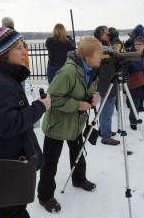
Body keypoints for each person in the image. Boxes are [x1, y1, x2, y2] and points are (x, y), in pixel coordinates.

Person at [0, 26, 51, 218]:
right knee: (13, 210)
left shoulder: (4, 77)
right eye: (19, 47)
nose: (25, 51)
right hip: (10, 162)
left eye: (24, 46)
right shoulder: (0, 83)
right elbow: (8, 126)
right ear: (3, 53)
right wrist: (40, 107)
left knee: (14, 209)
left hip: (12, 158)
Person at [37, 37, 102, 213]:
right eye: (99, 53)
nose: (102, 57)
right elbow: (52, 98)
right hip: (57, 125)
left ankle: (79, 179)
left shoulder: (91, 69)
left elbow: (91, 89)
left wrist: (94, 95)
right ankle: (45, 196)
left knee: (78, 153)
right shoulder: (68, 72)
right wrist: (78, 105)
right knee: (51, 162)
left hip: (76, 123)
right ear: (87, 56)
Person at [94, 26, 120, 145]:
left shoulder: (101, 45)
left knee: (105, 107)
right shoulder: (101, 47)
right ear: (101, 36)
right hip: (107, 81)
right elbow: (116, 51)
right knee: (107, 110)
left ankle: (103, 130)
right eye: (107, 33)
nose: (109, 34)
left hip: (107, 80)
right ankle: (106, 136)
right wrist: (116, 38)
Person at [124, 24, 144, 112]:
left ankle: (130, 103)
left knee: (131, 84)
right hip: (143, 63)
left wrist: (131, 37)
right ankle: (139, 105)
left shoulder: (132, 39)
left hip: (131, 62)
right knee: (141, 84)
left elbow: (126, 45)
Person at [1, 17, 29, 92]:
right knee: (21, 91)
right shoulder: (19, 36)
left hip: (10, 69)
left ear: (3, 26)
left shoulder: (3, 38)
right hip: (21, 67)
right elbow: (25, 49)